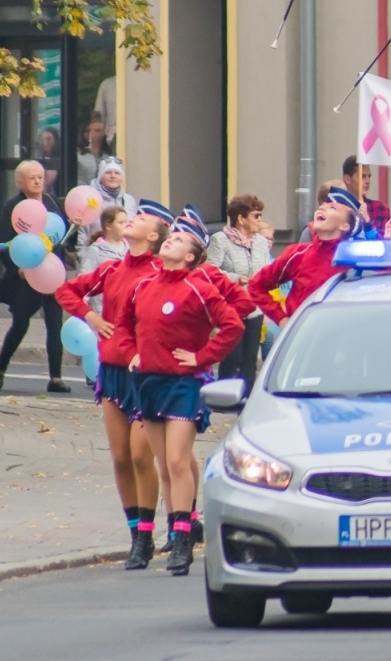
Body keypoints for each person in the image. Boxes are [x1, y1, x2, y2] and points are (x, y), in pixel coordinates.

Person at [56, 199, 168, 569]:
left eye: (139, 218)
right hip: (112, 370)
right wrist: (90, 316)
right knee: (120, 458)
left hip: (147, 373)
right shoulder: (111, 269)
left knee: (140, 455)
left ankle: (150, 532)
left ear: (153, 236)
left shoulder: (159, 271)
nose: (130, 219)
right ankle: (136, 533)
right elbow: (66, 290)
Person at [126, 225, 244, 576]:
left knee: (178, 461)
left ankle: (182, 541)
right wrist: (131, 352)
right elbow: (123, 326)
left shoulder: (198, 286)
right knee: (163, 464)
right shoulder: (144, 285)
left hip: (183, 384)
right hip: (147, 381)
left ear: (190, 256)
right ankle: (151, 537)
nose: (170, 240)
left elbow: (233, 325)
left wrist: (203, 356)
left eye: (179, 240)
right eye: (170, 237)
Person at [0, 161, 70, 393]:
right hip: (25, 277)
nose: (38, 181)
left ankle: (56, 378)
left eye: (40, 177)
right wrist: (17, 268)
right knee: (20, 324)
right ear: (20, 182)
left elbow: (58, 236)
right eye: (32, 178)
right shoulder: (14, 206)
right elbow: (5, 240)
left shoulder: (51, 202)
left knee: (54, 323)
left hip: (51, 273)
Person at [249, 189, 358, 326]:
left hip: (340, 337)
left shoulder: (355, 259)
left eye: (332, 208)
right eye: (322, 205)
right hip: (305, 339)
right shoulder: (298, 254)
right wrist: (282, 319)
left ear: (345, 226)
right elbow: (256, 285)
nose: (322, 207)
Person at [208, 194, 274, 392]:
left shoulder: (261, 242)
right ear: (241, 218)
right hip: (231, 307)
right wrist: (237, 278)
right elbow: (210, 270)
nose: (260, 221)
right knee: (232, 355)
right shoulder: (220, 240)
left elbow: (267, 268)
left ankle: (245, 400)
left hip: (254, 307)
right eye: (256, 216)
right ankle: (222, 397)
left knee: (250, 358)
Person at [79, 207, 131, 312]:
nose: (126, 225)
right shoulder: (95, 250)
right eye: (121, 222)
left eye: (126, 222)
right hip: (102, 310)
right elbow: (84, 280)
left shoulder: (130, 247)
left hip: (126, 309)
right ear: (108, 226)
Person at [341, 154, 388, 227]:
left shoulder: (379, 208)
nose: (368, 181)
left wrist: (367, 222)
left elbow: (381, 237)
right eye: (363, 176)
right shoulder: (337, 208)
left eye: (369, 176)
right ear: (347, 179)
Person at [77, 112, 111, 186]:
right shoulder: (77, 156)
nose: (91, 133)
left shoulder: (109, 157)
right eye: (88, 131)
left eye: (98, 131)